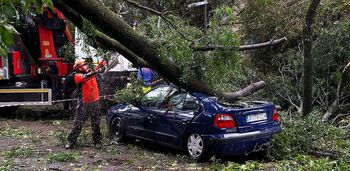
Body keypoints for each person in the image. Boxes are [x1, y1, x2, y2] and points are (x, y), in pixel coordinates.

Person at [66, 59, 107, 149]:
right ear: (79, 68)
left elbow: (96, 70)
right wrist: (97, 71)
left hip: (95, 101)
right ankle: (70, 141)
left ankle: (97, 141)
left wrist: (101, 64)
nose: (86, 66)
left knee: (96, 123)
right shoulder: (77, 76)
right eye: (84, 65)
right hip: (83, 103)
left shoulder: (91, 72)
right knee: (78, 123)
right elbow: (87, 76)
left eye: (86, 64)